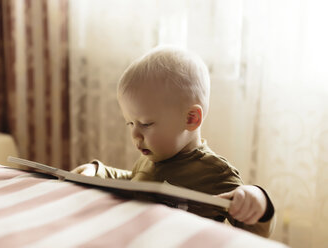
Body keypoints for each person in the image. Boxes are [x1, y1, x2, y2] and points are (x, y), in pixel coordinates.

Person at [71, 46, 275, 237]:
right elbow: (133, 182)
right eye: (130, 124)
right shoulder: (151, 159)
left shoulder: (214, 173)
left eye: (146, 123)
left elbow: (254, 232)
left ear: (191, 119)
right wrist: (97, 172)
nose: (135, 135)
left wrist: (258, 201)